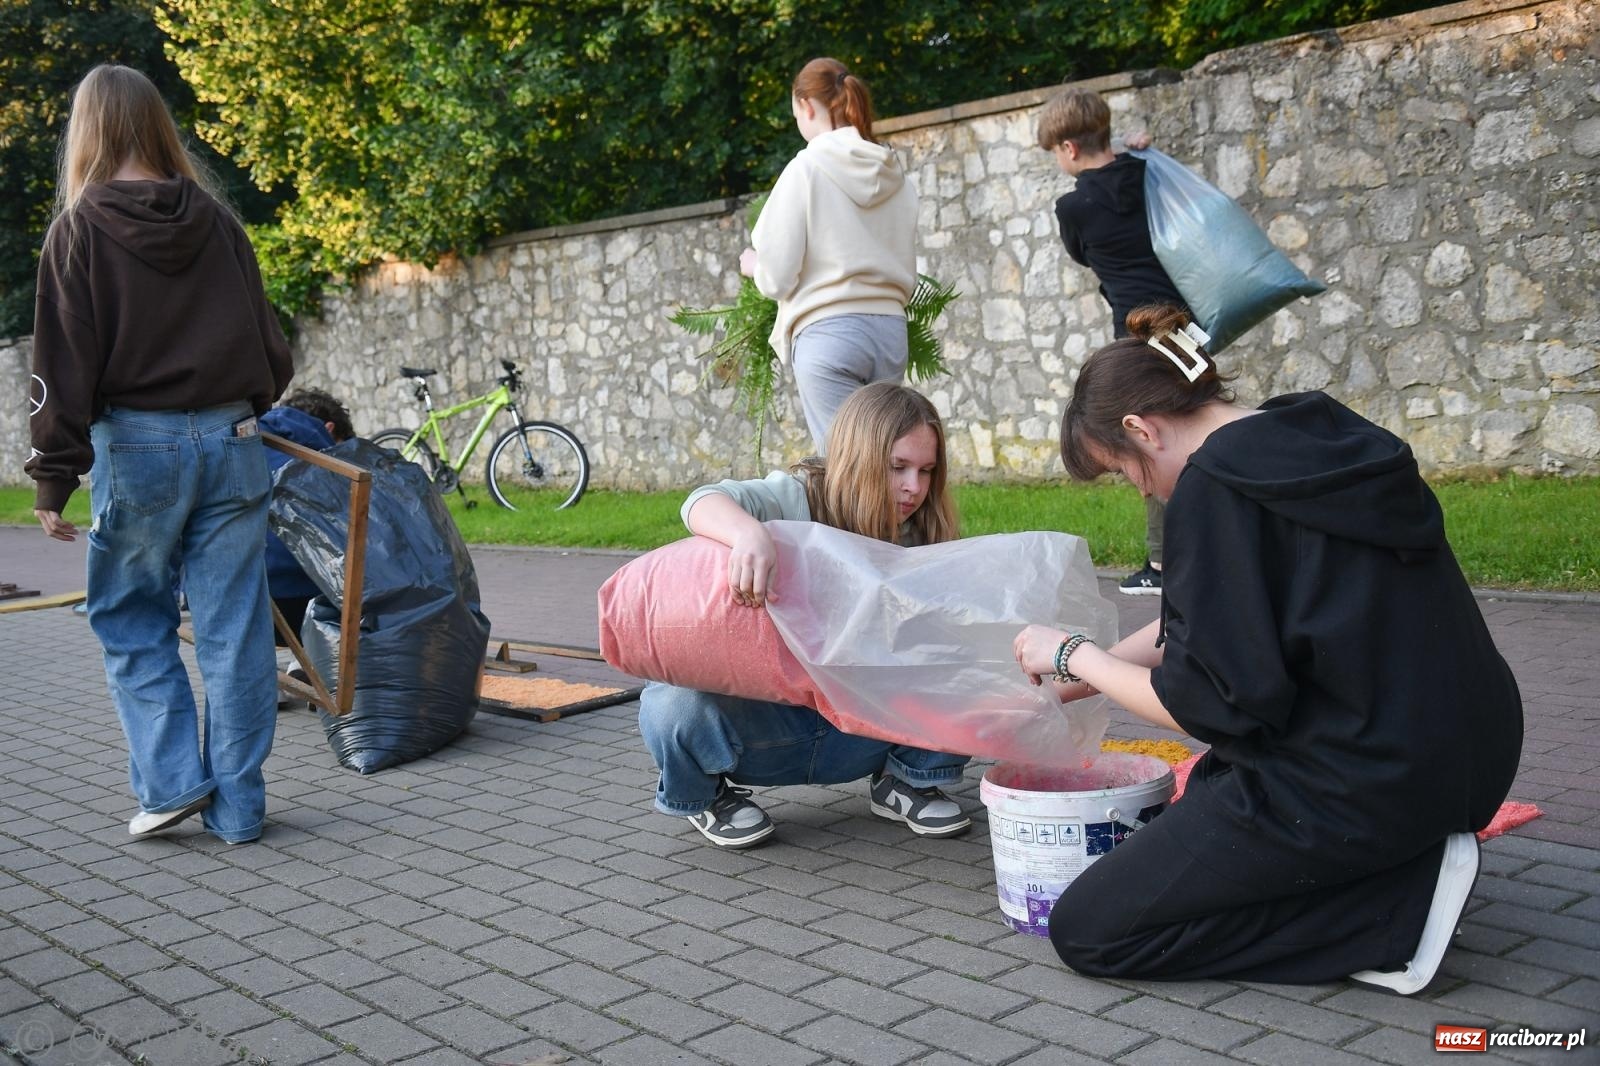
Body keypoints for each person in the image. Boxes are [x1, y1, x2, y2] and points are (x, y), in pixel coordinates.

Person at [1011, 305, 1523, 992]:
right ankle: (1391, 871)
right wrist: (1088, 674)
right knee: (1213, 791)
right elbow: (1219, 623)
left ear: (1141, 430)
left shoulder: (1214, 490)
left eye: (1123, 471)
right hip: (1468, 757)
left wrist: (1075, 653)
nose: (1140, 488)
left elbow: (1208, 706)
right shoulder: (1311, 436)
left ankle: (1393, 911)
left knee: (1093, 930)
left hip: (1365, 781)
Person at [26, 65, 294, 845]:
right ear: (156, 124)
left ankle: (173, 784)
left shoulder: (78, 231)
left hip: (138, 445)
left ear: (87, 129)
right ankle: (239, 808)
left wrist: (53, 478)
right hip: (234, 441)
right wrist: (242, 410)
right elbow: (270, 346)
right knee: (235, 629)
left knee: (130, 616)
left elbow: (60, 366)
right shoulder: (218, 221)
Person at [639, 382, 970, 848]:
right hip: (769, 727)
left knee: (973, 662)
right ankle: (708, 797)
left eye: (926, 470)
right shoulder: (795, 499)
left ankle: (908, 780)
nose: (914, 487)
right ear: (857, 457)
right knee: (673, 703)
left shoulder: (923, 532)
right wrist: (749, 535)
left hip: (858, 728)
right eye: (897, 467)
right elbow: (700, 501)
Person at [1037, 87, 1185, 596]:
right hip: (1185, 326)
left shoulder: (1074, 206)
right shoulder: (1145, 173)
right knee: (1190, 430)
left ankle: (1162, 566)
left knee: (1148, 441)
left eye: (1055, 152)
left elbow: (1082, 255)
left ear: (1069, 148)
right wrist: (1131, 148)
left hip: (1138, 335)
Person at [741, 58, 917, 453]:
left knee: (845, 466)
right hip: (890, 332)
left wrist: (754, 266)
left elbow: (778, 277)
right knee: (879, 459)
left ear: (806, 106)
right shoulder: (895, 177)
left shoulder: (806, 169)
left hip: (829, 332)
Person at [259, 387, 354, 641]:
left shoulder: (247, 439)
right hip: (304, 605)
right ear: (329, 429)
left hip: (241, 603)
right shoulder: (324, 464)